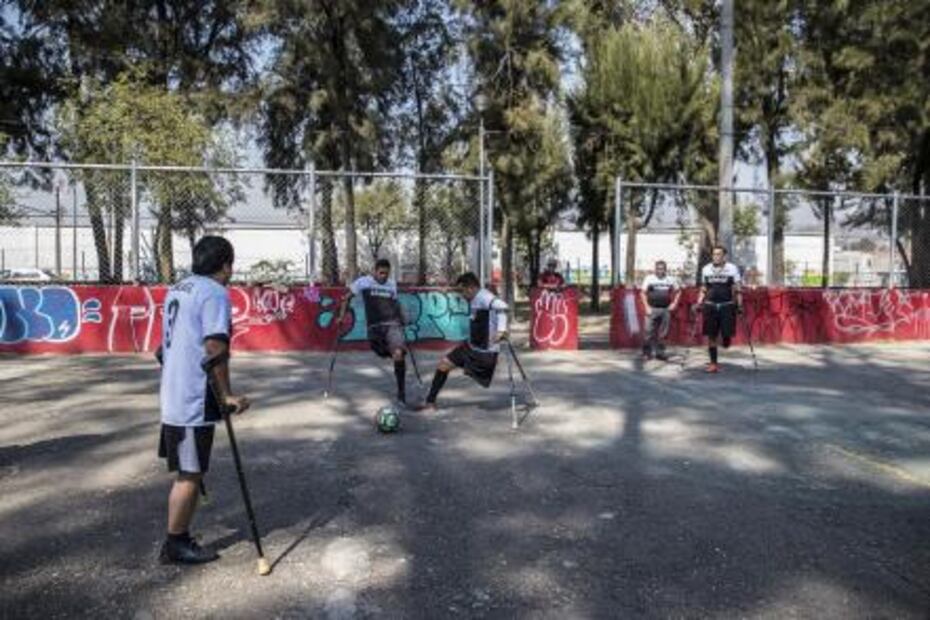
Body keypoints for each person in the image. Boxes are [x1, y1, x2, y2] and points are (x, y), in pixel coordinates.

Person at [157, 236, 251, 565]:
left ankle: (178, 537)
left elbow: (161, 348)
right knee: (190, 473)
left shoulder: (178, 288)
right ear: (225, 264)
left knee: (191, 469)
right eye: (231, 264)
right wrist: (226, 395)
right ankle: (175, 543)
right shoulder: (214, 293)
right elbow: (215, 348)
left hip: (176, 391)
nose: (231, 271)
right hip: (191, 397)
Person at [418, 272, 509, 411]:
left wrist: (501, 330)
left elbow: (502, 307)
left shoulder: (485, 297)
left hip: (484, 353)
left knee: (447, 365)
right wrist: (447, 289)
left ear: (471, 288)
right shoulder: (474, 297)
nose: (461, 295)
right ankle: (430, 403)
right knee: (443, 364)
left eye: (462, 291)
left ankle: (430, 401)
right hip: (471, 346)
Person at [338, 258, 410, 405]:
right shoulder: (363, 282)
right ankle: (395, 353)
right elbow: (346, 298)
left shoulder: (391, 284)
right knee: (381, 352)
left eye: (386, 274)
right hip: (374, 328)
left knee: (398, 353)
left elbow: (395, 303)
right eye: (381, 273)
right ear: (374, 272)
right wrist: (341, 316)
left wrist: (403, 317)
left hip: (392, 325)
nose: (384, 276)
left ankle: (401, 393)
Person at [696, 245, 743, 373]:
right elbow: (704, 288)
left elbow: (738, 288)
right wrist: (699, 302)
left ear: (724, 256)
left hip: (727, 305)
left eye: (719, 254)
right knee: (711, 336)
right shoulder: (706, 269)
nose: (716, 256)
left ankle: (726, 338)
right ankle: (713, 363)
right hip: (710, 305)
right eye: (714, 254)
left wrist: (739, 305)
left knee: (727, 335)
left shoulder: (732, 269)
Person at [640, 260, 681, 360]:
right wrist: (646, 307)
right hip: (652, 309)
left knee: (663, 333)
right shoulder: (649, 279)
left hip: (665, 310)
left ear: (665, 270)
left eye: (662, 269)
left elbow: (679, 291)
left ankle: (660, 352)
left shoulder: (670, 279)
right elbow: (642, 293)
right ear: (655, 269)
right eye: (658, 269)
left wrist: (674, 303)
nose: (660, 271)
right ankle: (646, 353)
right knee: (648, 331)